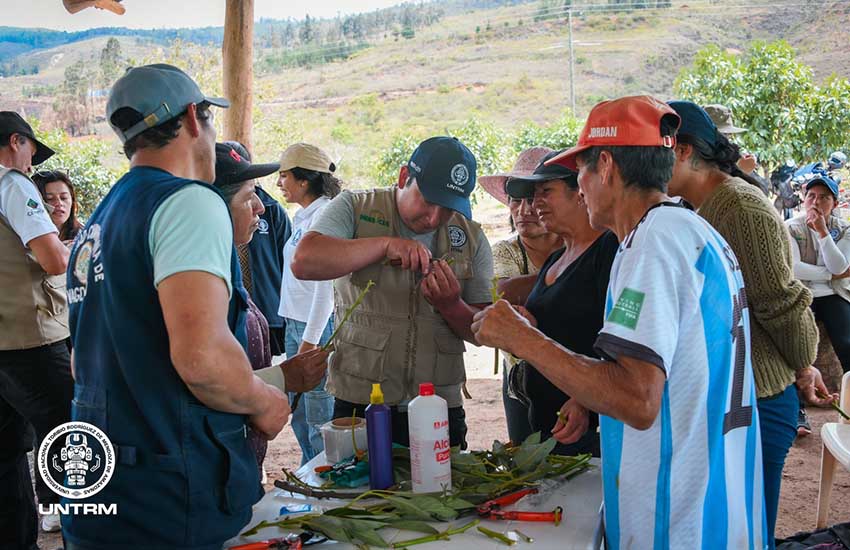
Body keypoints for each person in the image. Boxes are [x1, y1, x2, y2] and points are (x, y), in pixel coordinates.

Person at [472, 96, 766, 548]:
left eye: (582, 173)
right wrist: (590, 396)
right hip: (717, 507)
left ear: (606, 165)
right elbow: (671, 367)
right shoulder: (689, 231)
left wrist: (524, 339)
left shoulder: (652, 244)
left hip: (676, 518)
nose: (581, 187)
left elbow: (637, 399)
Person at [63, 64, 328, 549]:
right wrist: (265, 400)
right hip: (170, 494)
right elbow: (202, 359)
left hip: (100, 487)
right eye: (209, 121)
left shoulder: (101, 220)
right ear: (191, 118)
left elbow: (83, 359)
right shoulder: (189, 202)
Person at [667, 100, 829, 549]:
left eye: (653, 149)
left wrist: (802, 363)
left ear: (682, 151)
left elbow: (780, 303)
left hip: (758, 399)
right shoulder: (700, 205)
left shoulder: (740, 207)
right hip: (737, 394)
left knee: (749, 531)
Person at [292, 136, 493, 449]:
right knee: (361, 492)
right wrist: (383, 245)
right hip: (362, 401)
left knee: (441, 493)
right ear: (403, 178)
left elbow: (481, 330)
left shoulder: (471, 236)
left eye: (449, 208)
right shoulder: (356, 208)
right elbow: (305, 261)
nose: (435, 218)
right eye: (428, 200)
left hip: (439, 406)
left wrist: (451, 304)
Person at [502, 149, 619, 456]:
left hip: (586, 429)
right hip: (545, 427)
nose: (534, 203)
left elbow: (620, 335)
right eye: (531, 194)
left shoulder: (608, 250)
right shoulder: (557, 259)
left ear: (579, 193)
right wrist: (530, 326)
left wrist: (586, 400)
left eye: (546, 192)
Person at [0, 111, 72, 546]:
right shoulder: (11, 184)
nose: (31, 165)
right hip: (31, 339)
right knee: (72, 436)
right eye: (29, 152)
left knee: (6, 454)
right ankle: (90, 533)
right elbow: (53, 259)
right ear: (15, 142)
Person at [479, 146, 561, 444]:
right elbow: (503, 295)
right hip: (522, 380)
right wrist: (572, 276)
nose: (523, 210)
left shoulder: (578, 245)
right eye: (516, 199)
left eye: (533, 199)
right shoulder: (505, 251)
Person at [213, 141, 284, 476]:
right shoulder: (201, 281)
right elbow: (204, 377)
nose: (260, 207)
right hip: (220, 464)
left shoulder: (227, 261)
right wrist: (274, 388)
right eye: (247, 197)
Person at [276, 142, 340, 465]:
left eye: (284, 176)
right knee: (301, 412)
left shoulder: (326, 216)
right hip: (297, 323)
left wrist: (309, 343)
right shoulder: (304, 216)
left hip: (312, 327)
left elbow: (325, 289)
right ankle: (310, 472)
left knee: (318, 416)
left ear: (304, 181)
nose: (279, 183)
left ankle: (322, 482)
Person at [786, 173, 850, 374]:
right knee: (794, 344)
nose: (816, 201)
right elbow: (794, 268)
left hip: (834, 294)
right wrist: (830, 275)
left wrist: (822, 232)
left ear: (835, 203)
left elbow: (839, 267)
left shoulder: (844, 229)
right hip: (802, 294)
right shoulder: (791, 227)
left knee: (847, 343)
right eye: (811, 196)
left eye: (824, 197)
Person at [703, 103, 770, 195]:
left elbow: (763, 192)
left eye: (728, 134)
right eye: (722, 134)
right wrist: (740, 171)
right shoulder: (695, 161)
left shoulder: (729, 158)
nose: (726, 139)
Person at [32, 169, 84, 243]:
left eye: (64, 198)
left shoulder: (84, 236)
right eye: (49, 199)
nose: (59, 203)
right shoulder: (26, 236)